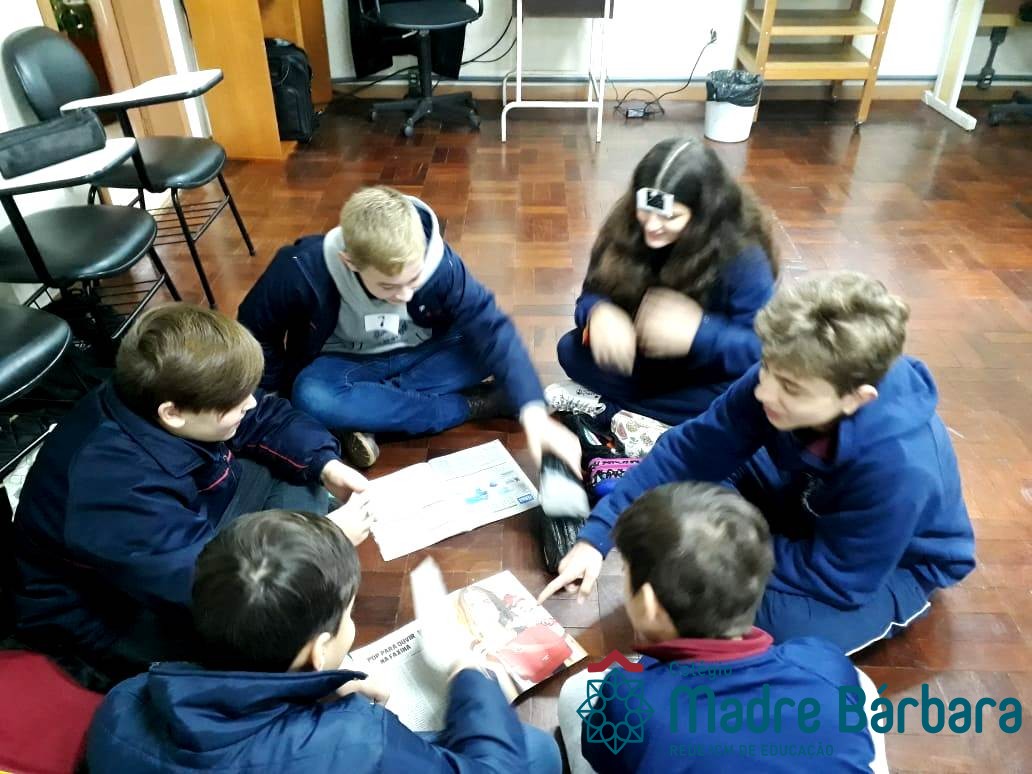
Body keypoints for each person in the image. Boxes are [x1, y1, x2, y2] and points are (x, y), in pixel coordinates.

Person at [541, 272, 975, 655]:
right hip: (799, 494)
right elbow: (690, 451)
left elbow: (840, 577)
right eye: (766, 369)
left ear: (856, 398)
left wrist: (720, 552)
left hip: (885, 566)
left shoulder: (900, 467)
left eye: (790, 388)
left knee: (725, 615)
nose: (764, 392)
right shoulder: (787, 370)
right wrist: (596, 537)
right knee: (675, 512)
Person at [11, 305, 370, 689]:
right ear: (173, 414)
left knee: (302, 473)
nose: (250, 403)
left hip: (183, 528)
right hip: (113, 612)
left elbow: (263, 414)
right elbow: (209, 588)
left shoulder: (172, 391)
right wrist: (323, 539)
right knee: (267, 635)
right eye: (235, 402)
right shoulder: (111, 486)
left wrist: (326, 464)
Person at [87, 509, 562, 773]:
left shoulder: (124, 701)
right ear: (317, 651)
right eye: (348, 615)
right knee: (534, 752)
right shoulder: (354, 739)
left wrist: (314, 693)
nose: (350, 622)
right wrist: (470, 678)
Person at [238, 185, 580, 472]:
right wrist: (275, 400)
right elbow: (255, 334)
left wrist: (533, 411)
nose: (404, 295)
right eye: (388, 286)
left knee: (486, 347)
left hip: (428, 350)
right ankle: (473, 406)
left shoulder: (440, 264)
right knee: (311, 396)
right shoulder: (299, 269)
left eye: (414, 280)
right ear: (350, 261)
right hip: (345, 363)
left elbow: (492, 327)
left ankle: (369, 414)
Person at [556, 483, 888, 773]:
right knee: (858, 684)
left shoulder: (627, 695)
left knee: (579, 692)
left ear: (649, 603)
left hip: (642, 711)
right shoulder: (823, 660)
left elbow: (604, 758)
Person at [553, 137, 777, 425]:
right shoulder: (624, 226)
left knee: (752, 393)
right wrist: (598, 312)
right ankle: (651, 416)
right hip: (644, 364)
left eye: (670, 217)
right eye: (645, 210)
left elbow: (762, 349)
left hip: (705, 374)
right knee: (569, 350)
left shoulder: (743, 255)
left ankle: (612, 410)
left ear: (702, 216)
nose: (652, 225)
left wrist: (700, 334)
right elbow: (590, 294)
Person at [457, 585, 572, 686]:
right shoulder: (481, 653)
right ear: (467, 615)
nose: (483, 608)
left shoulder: (524, 627)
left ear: (495, 605)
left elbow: (561, 663)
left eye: (486, 601)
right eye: (473, 605)